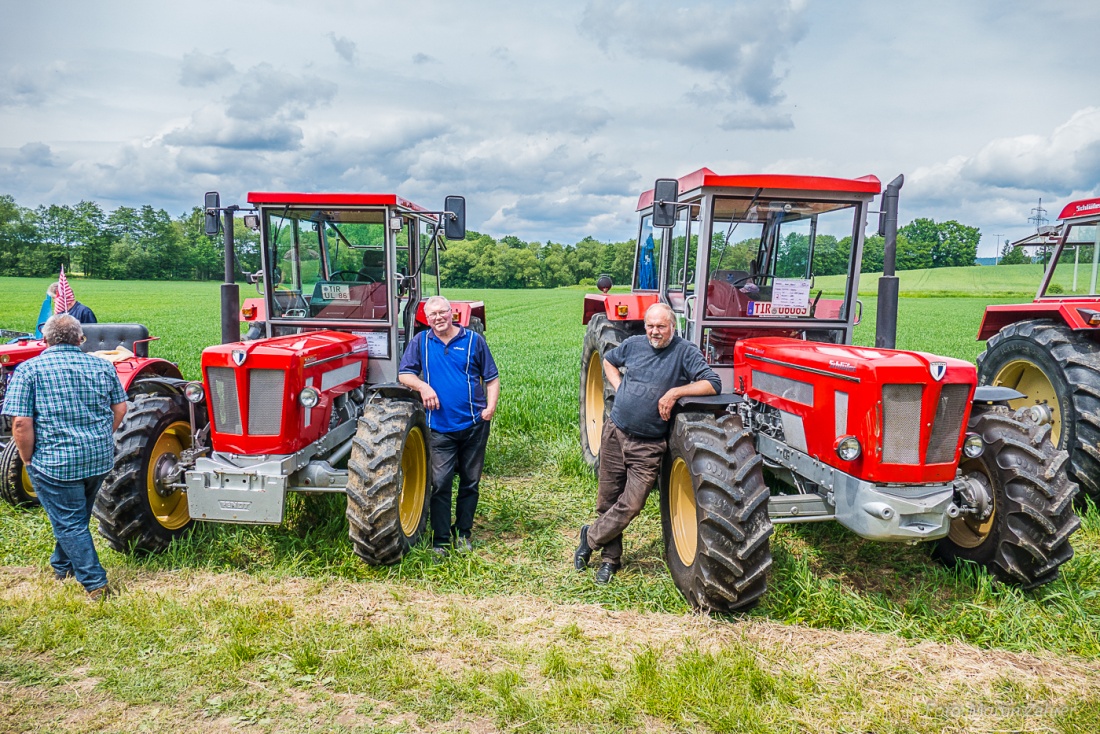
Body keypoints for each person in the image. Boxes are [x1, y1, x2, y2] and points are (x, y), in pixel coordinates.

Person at [574, 303, 721, 584]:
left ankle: (589, 537)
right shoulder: (634, 344)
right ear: (645, 326)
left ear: (672, 327)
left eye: (661, 327)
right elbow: (608, 360)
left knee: (631, 504)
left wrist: (675, 392)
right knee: (608, 499)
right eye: (651, 326)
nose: (655, 332)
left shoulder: (684, 352)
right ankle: (610, 560)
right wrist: (619, 387)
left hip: (649, 444)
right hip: (615, 432)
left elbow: (712, 383)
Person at [1, 314, 127, 599]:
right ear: (80, 339)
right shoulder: (101, 365)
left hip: (55, 462)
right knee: (75, 516)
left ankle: (95, 583)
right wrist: (101, 437)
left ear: (44, 340)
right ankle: (61, 566)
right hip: (97, 458)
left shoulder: (29, 369)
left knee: (69, 522)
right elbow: (120, 409)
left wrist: (27, 458)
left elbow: (20, 423)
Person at [398, 295, 500, 556]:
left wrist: (489, 409)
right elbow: (404, 374)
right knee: (440, 483)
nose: (438, 318)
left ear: (452, 313)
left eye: (442, 313)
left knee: (470, 482)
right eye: (432, 315)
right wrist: (423, 387)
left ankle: (463, 533)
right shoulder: (420, 342)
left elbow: (491, 378)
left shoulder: (473, 341)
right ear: (427, 319)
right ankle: (440, 540)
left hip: (474, 425)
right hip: (439, 427)